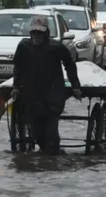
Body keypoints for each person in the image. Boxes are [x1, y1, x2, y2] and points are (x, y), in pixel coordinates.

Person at [11, 15, 82, 154]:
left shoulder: (56, 47)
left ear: (46, 33)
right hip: (32, 95)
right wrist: (15, 87)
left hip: (53, 95)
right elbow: (18, 68)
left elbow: (70, 65)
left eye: (39, 33)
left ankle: (54, 157)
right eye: (34, 32)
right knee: (37, 132)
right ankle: (47, 156)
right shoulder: (24, 47)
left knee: (51, 132)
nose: (36, 36)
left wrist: (75, 85)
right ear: (30, 33)